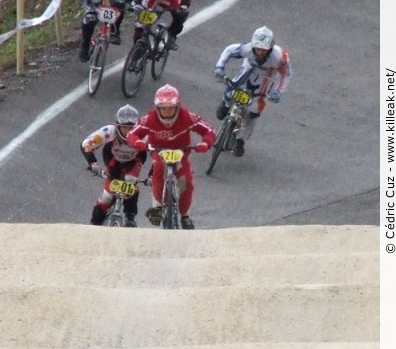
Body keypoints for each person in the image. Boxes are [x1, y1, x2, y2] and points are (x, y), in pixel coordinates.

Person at [127, 84, 216, 230]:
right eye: (163, 108)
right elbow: (132, 133)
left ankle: (185, 216)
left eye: (170, 108)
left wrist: (205, 144)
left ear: (178, 107)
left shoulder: (188, 117)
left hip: (181, 153)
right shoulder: (149, 119)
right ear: (157, 108)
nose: (167, 113)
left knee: (185, 181)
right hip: (159, 151)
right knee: (159, 169)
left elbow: (209, 130)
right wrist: (137, 142)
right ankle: (157, 207)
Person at [213, 26, 292, 157]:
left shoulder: (280, 57)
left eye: (263, 50)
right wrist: (220, 67)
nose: (260, 52)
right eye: (257, 49)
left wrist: (278, 91)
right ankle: (226, 103)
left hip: (266, 77)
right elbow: (229, 50)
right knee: (233, 87)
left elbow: (286, 74)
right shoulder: (248, 49)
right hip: (248, 70)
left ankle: (240, 140)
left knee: (254, 111)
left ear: (270, 48)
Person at [81, 104, 146, 227]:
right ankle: (94, 224)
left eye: (131, 128)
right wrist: (92, 163)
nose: (128, 132)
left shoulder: (144, 134)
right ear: (117, 126)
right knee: (107, 196)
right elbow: (86, 144)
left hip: (134, 160)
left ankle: (130, 217)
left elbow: (156, 151)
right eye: (124, 128)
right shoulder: (109, 132)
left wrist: (153, 174)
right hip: (113, 159)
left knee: (130, 181)